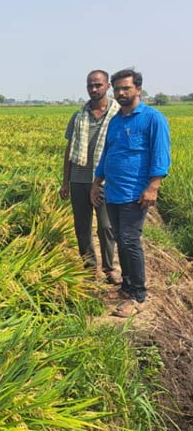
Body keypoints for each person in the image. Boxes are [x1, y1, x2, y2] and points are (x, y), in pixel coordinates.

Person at [91, 68, 172, 317]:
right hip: (113, 192)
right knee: (121, 241)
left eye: (126, 88)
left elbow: (161, 155)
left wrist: (153, 187)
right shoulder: (116, 121)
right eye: (118, 89)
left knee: (129, 242)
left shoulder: (152, 119)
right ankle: (126, 287)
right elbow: (107, 154)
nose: (121, 93)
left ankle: (138, 295)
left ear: (138, 89)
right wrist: (97, 182)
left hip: (135, 194)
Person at [60, 70, 121, 284]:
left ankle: (109, 267)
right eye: (90, 85)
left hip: (105, 180)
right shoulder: (78, 116)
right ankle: (88, 267)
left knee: (106, 226)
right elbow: (69, 150)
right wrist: (65, 182)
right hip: (79, 179)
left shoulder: (117, 114)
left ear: (107, 86)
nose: (94, 89)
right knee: (82, 226)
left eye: (98, 85)